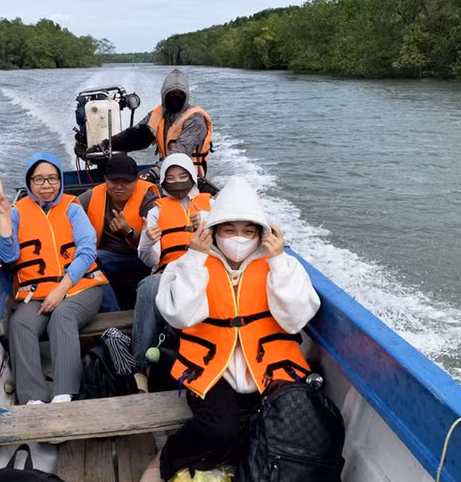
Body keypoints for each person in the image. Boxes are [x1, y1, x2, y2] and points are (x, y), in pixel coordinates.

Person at [140, 176, 320, 482]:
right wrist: (196, 257)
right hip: (212, 369)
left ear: (262, 232)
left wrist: (277, 262)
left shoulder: (283, 265)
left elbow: (295, 318)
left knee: (285, 426)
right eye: (229, 230)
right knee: (219, 427)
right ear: (214, 231)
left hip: (270, 368)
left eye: (248, 231)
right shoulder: (189, 262)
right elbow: (179, 316)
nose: (239, 238)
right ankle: (164, 461)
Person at [0, 152, 108, 405]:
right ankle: (34, 400)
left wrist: (61, 289)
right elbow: (8, 257)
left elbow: (87, 250)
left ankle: (65, 394)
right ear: (29, 183)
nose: (47, 185)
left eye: (52, 178)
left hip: (80, 287)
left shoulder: (72, 207)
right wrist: (4, 217)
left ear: (60, 180)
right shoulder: (17, 211)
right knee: (21, 323)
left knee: (62, 317)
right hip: (36, 293)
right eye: (39, 179)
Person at [130, 153, 214, 391]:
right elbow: (150, 260)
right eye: (171, 177)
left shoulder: (212, 205)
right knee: (148, 285)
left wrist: (209, 222)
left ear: (192, 176)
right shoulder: (156, 211)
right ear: (164, 181)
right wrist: (147, 241)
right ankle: (140, 367)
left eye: (183, 176)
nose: (177, 181)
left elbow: (230, 241)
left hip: (206, 270)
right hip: (170, 272)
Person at [87, 69, 213, 179]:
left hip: (190, 178)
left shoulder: (195, 119)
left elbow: (180, 153)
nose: (175, 98)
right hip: (165, 174)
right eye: (171, 94)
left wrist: (152, 174)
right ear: (164, 95)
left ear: (186, 96)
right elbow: (135, 137)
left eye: (180, 95)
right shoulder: (157, 115)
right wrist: (103, 146)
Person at [79, 154, 160, 311]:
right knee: (89, 260)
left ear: (136, 181)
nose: (119, 187)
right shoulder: (92, 196)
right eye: (114, 181)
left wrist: (128, 231)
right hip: (108, 258)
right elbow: (67, 211)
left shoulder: (148, 199)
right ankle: (113, 316)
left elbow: (155, 239)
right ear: (105, 180)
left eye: (126, 182)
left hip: (144, 258)